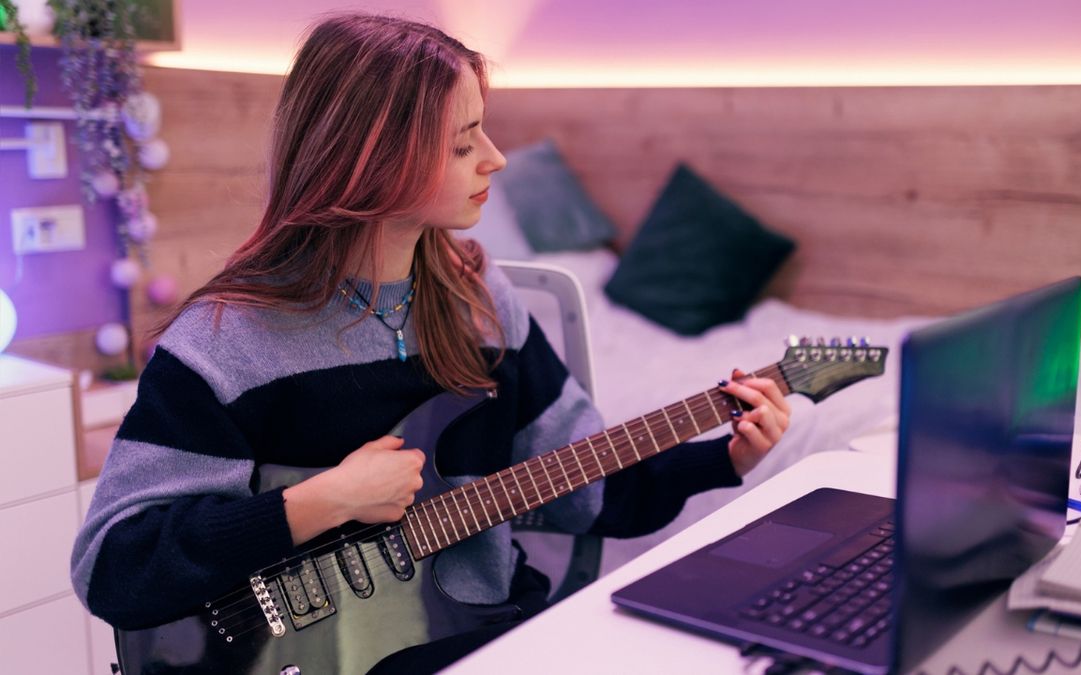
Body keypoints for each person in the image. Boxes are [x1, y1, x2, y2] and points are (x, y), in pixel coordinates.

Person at [70, 13, 791, 674]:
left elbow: (584, 490)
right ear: (368, 159)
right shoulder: (229, 342)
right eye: (461, 143)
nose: (497, 159)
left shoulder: (478, 298)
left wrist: (723, 457)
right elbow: (117, 566)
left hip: (488, 633)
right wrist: (320, 502)